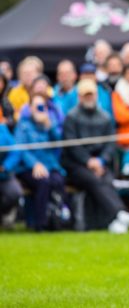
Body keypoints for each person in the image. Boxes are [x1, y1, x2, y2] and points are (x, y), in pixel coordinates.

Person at [62, 79, 129, 234]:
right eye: (86, 95)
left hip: (100, 163)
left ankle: (114, 221)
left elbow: (110, 144)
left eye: (92, 95)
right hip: (76, 165)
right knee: (94, 180)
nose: (89, 98)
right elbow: (71, 145)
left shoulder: (105, 117)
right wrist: (89, 161)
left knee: (107, 180)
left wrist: (101, 161)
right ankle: (119, 213)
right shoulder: (71, 117)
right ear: (80, 97)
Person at [14, 93, 66, 231]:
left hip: (49, 165)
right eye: (36, 106)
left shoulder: (49, 123)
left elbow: (58, 144)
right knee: (43, 182)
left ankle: (57, 219)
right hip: (27, 168)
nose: (39, 109)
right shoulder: (23, 124)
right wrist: (34, 164)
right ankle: (40, 223)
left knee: (58, 181)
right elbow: (21, 149)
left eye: (41, 106)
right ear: (30, 108)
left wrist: (50, 126)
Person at [0, 119, 22, 229]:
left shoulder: (2, 129)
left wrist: (5, 166)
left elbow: (15, 151)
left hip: (4, 175)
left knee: (15, 192)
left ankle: (3, 215)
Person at [8, 56, 43, 120]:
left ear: (38, 75)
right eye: (24, 73)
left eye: (30, 73)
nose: (27, 76)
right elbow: (13, 114)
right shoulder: (14, 93)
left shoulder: (46, 91)